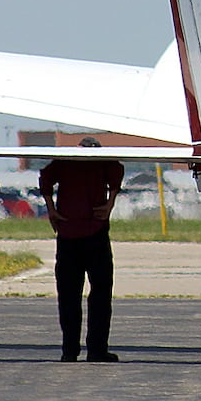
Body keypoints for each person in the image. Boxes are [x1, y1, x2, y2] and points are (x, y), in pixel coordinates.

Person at [39, 137, 123, 362]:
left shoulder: (67, 161)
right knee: (98, 294)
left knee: (70, 295)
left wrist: (51, 209)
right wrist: (109, 204)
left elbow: (45, 180)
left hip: (72, 232)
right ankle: (94, 349)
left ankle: (71, 350)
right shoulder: (90, 162)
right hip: (87, 232)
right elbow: (117, 175)